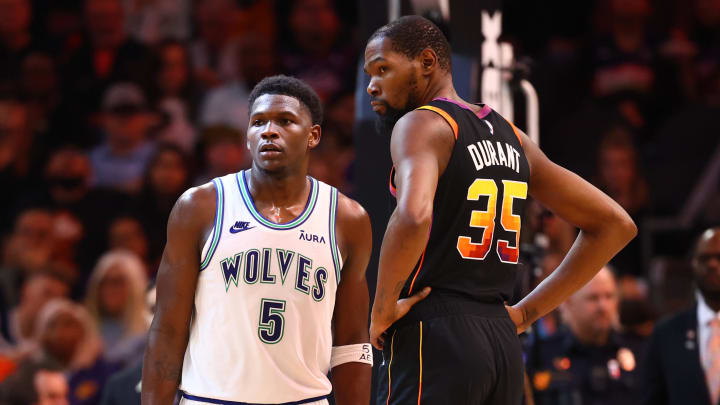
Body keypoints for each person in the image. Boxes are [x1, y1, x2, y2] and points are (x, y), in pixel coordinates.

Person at [363, 16, 637, 405]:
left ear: (426, 62)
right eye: (369, 74)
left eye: (383, 68)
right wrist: (525, 315)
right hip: (502, 343)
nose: (372, 85)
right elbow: (614, 224)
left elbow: (413, 215)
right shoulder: (513, 136)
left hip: (435, 332)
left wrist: (383, 307)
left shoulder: (419, 124)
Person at [142, 75, 373, 405]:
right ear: (247, 138)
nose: (269, 130)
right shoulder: (200, 207)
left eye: (285, 121)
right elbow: (166, 331)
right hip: (210, 399)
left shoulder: (347, 219)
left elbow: (351, 341)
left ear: (314, 135)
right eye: (258, 122)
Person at [525, 267, 642, 405]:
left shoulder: (637, 349)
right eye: (593, 298)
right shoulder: (543, 353)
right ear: (568, 302)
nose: (603, 306)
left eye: (609, 296)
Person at [641, 227, 720, 405]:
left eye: (719, 257)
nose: (712, 265)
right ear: (693, 264)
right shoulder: (666, 333)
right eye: (704, 259)